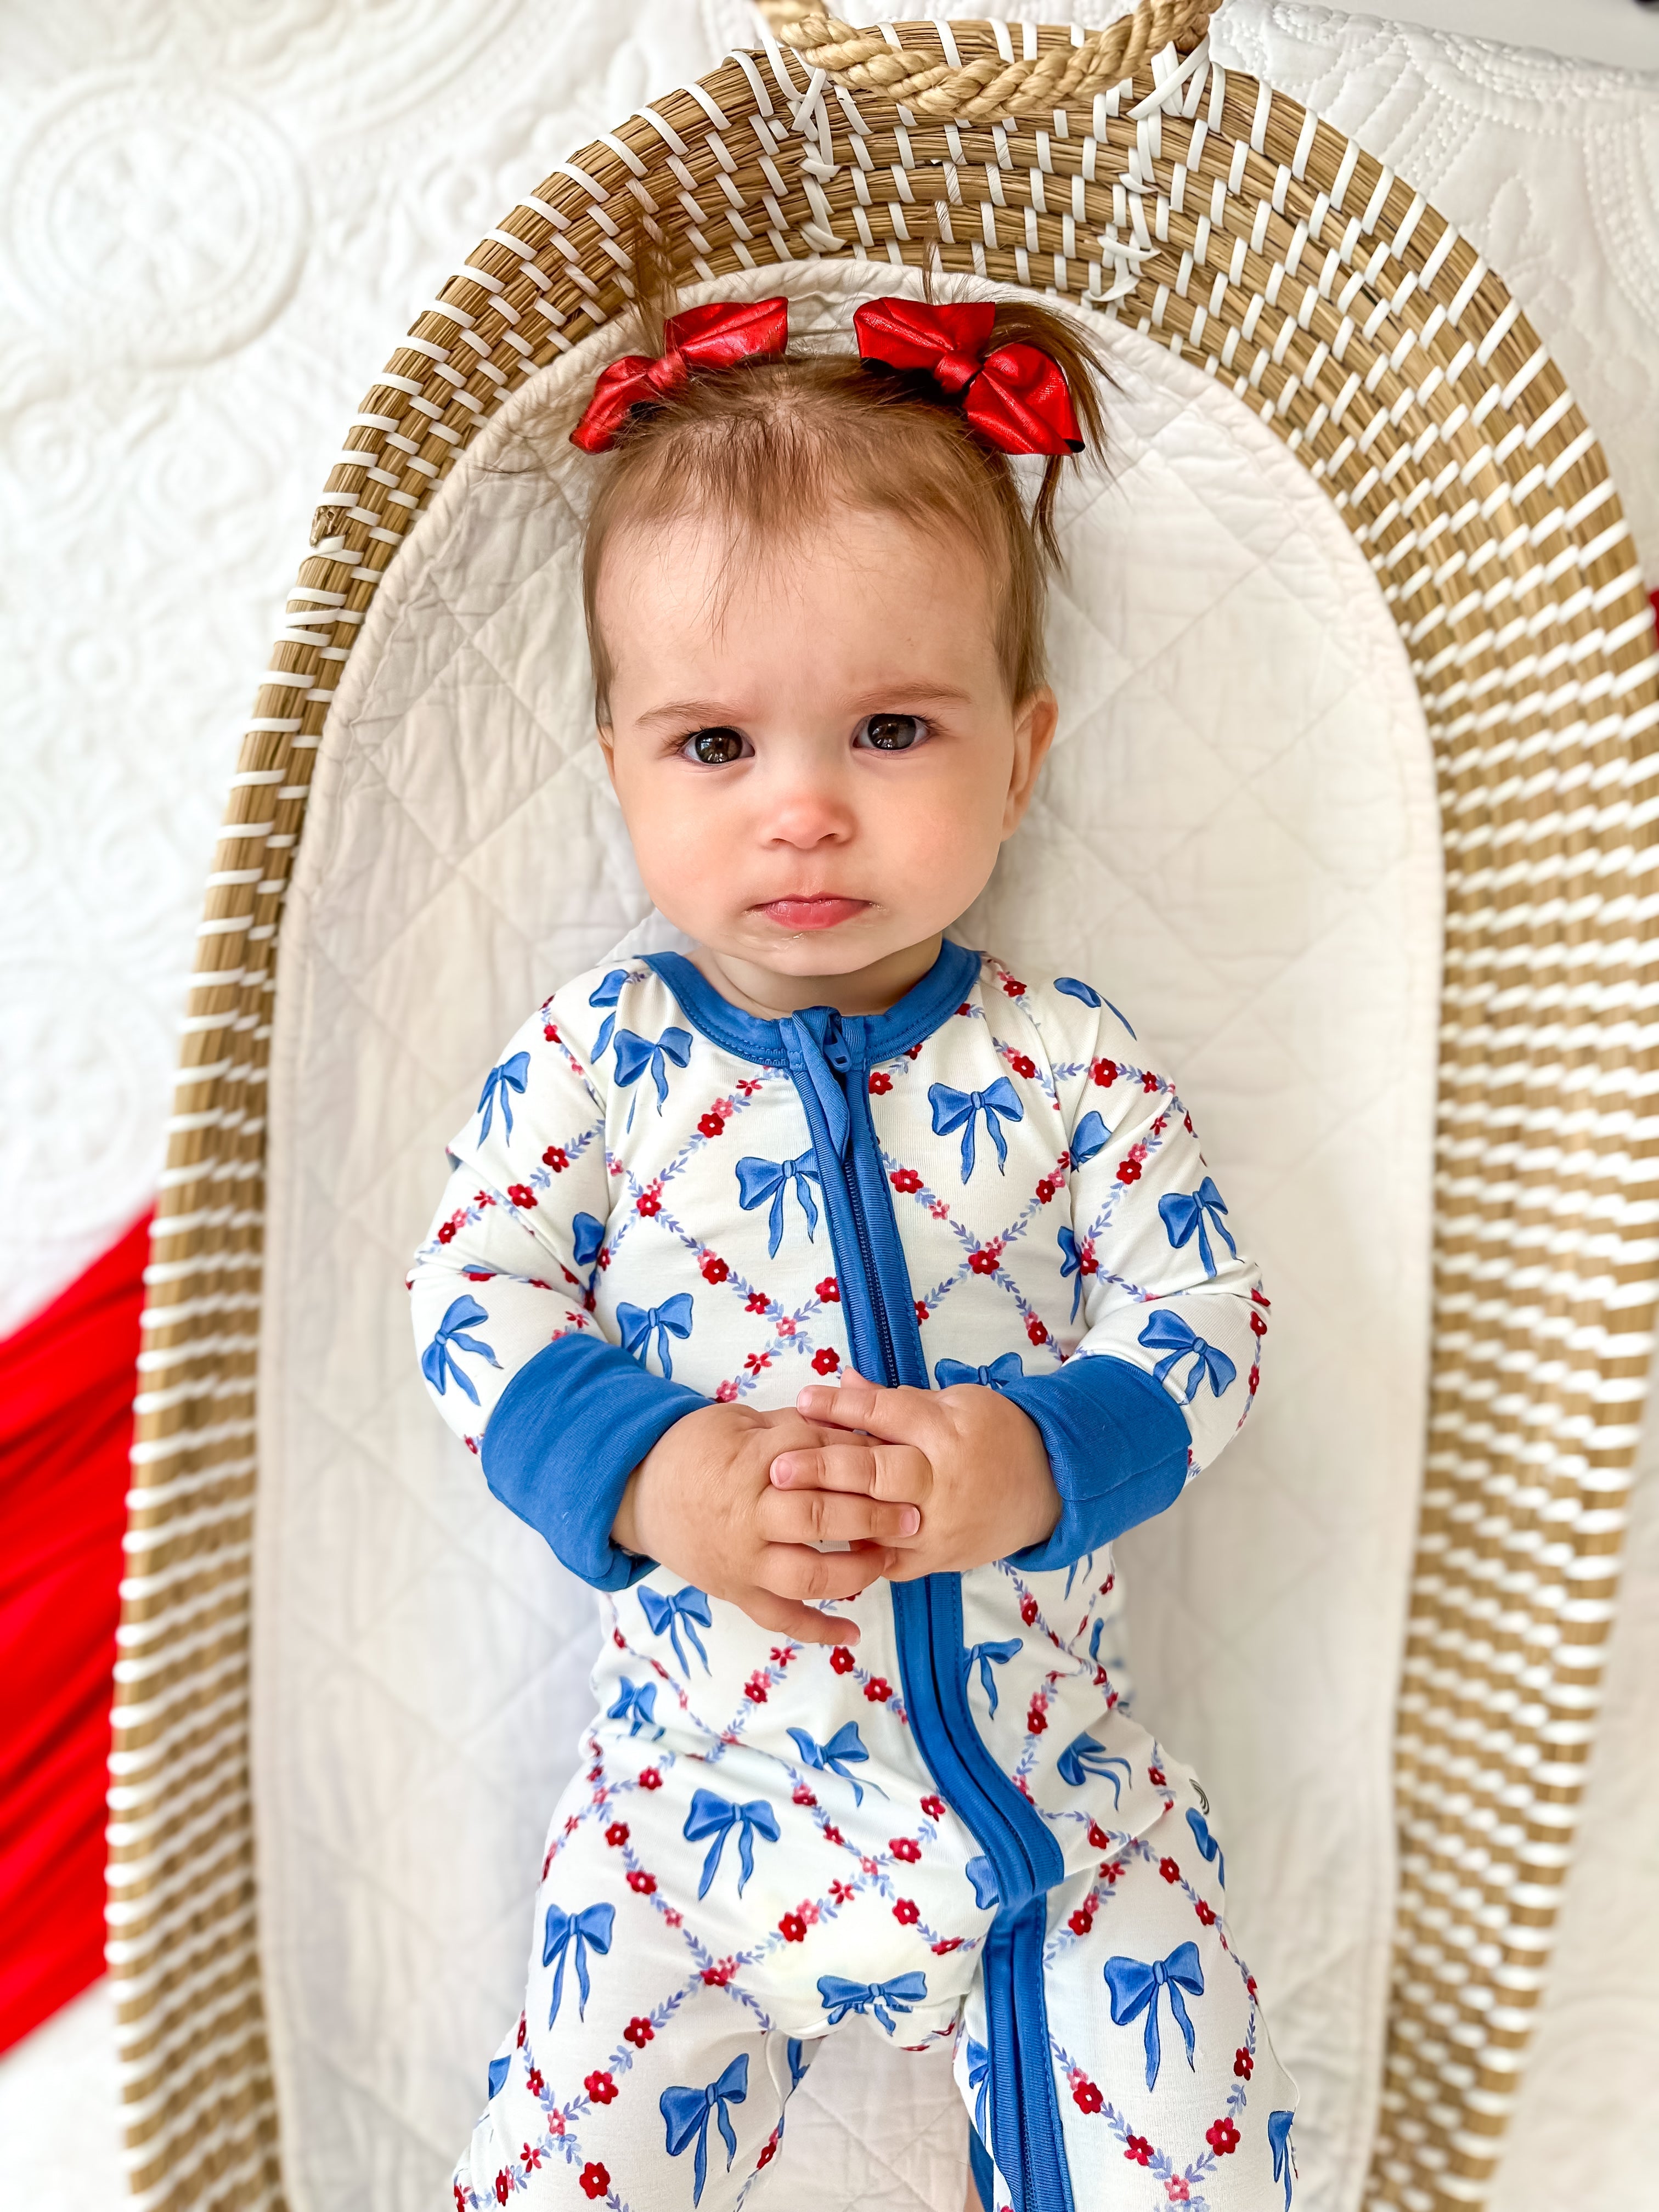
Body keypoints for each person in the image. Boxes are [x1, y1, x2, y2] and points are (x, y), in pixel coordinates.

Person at [410, 283, 1296, 2211]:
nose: (805, 807)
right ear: (621, 765)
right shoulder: (603, 1060)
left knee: (1186, 2148)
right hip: (694, 1814)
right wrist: (653, 1471)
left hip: (1048, 1804)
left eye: (891, 728)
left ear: (1023, 752)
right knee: (558, 2162)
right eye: (715, 743)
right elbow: (469, 1301)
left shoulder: (1062, 1061)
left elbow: (1206, 1322)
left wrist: (1042, 1456)